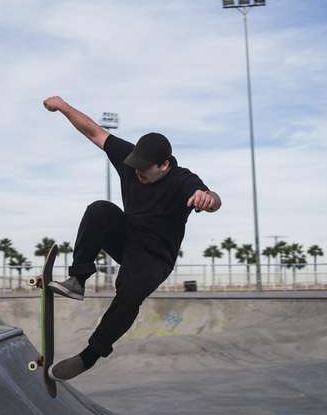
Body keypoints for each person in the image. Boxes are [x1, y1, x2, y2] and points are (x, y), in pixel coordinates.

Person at [42, 96, 222, 381]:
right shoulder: (132, 162)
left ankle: (89, 356)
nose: (137, 172)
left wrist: (208, 199)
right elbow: (94, 131)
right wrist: (63, 106)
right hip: (129, 237)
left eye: (144, 169)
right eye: (135, 165)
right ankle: (78, 280)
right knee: (99, 210)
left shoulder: (183, 180)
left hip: (155, 257)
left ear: (164, 165)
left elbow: (213, 200)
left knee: (128, 292)